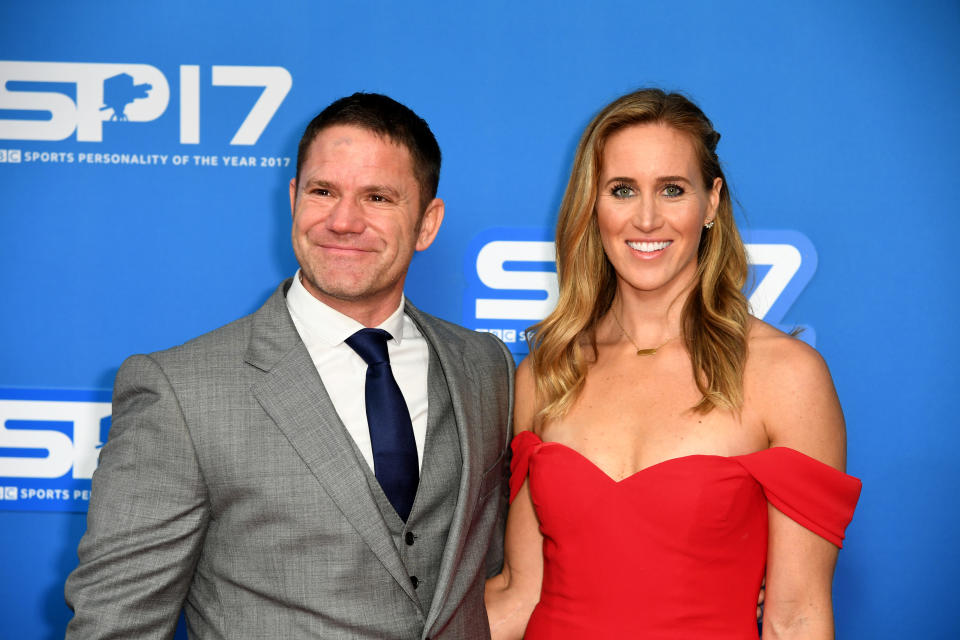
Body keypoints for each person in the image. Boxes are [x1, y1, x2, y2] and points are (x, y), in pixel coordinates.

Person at [65, 92, 515, 639]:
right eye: (324, 191)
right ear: (294, 198)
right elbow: (118, 624)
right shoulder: (181, 392)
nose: (344, 221)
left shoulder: (485, 367)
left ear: (427, 223)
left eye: (377, 197)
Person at [484, 88, 861, 639]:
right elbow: (520, 596)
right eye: (621, 190)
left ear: (711, 202)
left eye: (672, 190)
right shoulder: (548, 373)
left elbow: (796, 618)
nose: (646, 218)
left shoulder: (785, 375)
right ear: (593, 203)